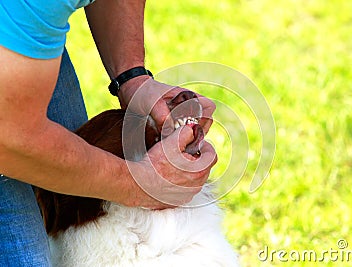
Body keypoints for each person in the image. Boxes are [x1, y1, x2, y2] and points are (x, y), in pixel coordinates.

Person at [0, 0, 217, 265]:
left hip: (24, 28)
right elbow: (9, 141)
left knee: (71, 161)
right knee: (26, 257)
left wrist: (133, 78)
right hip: (17, 29)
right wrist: (138, 183)